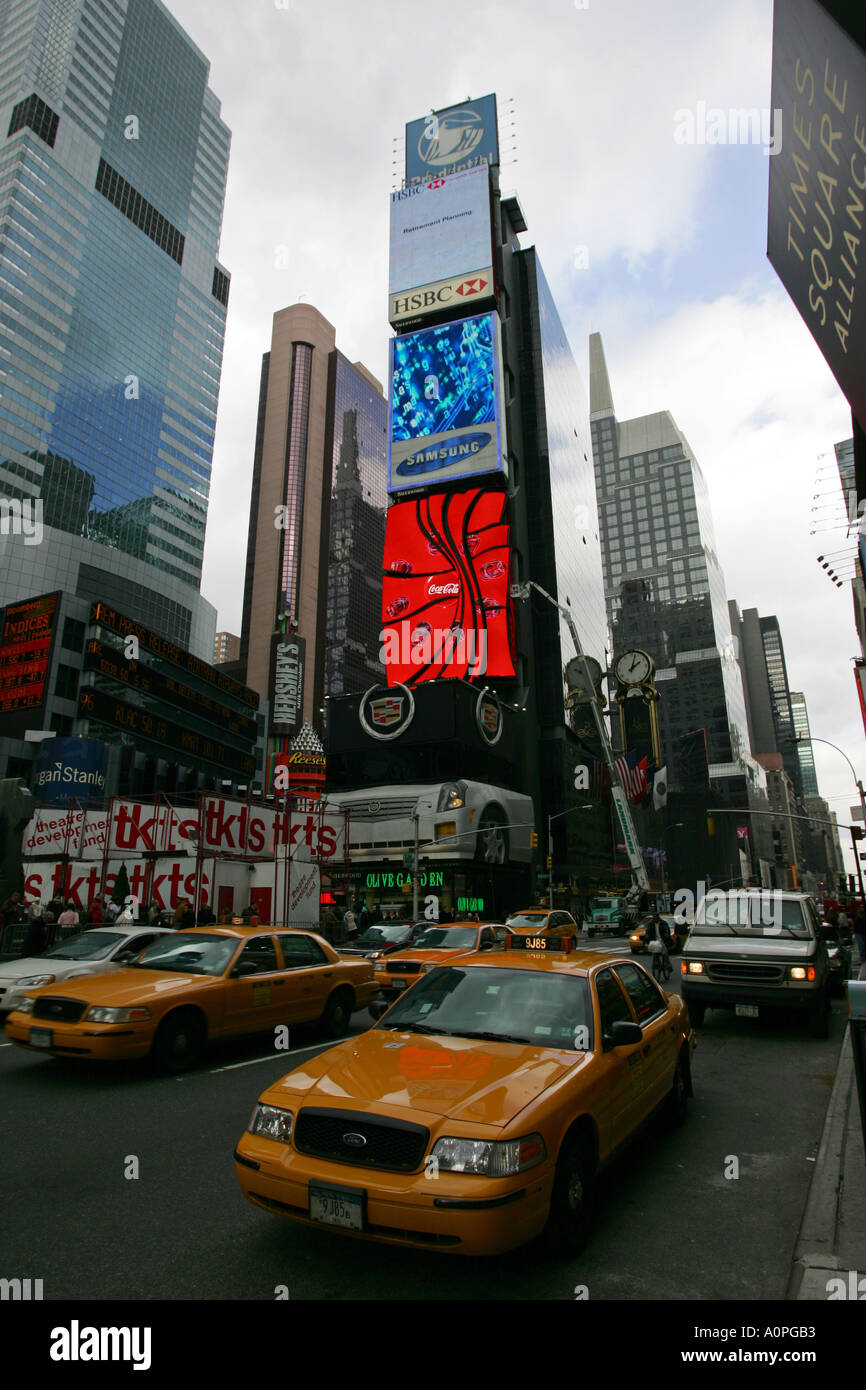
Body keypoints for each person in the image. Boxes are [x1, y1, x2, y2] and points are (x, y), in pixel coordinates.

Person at [645, 912, 672, 981]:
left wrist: (665, 939)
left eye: (655, 918)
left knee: (665, 953)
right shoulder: (650, 924)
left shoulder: (664, 923)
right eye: (653, 918)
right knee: (654, 954)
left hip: (662, 940)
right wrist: (647, 938)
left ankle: (668, 966)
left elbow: (666, 932)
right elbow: (647, 932)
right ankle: (655, 966)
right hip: (654, 941)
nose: (654, 919)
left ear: (658, 917)